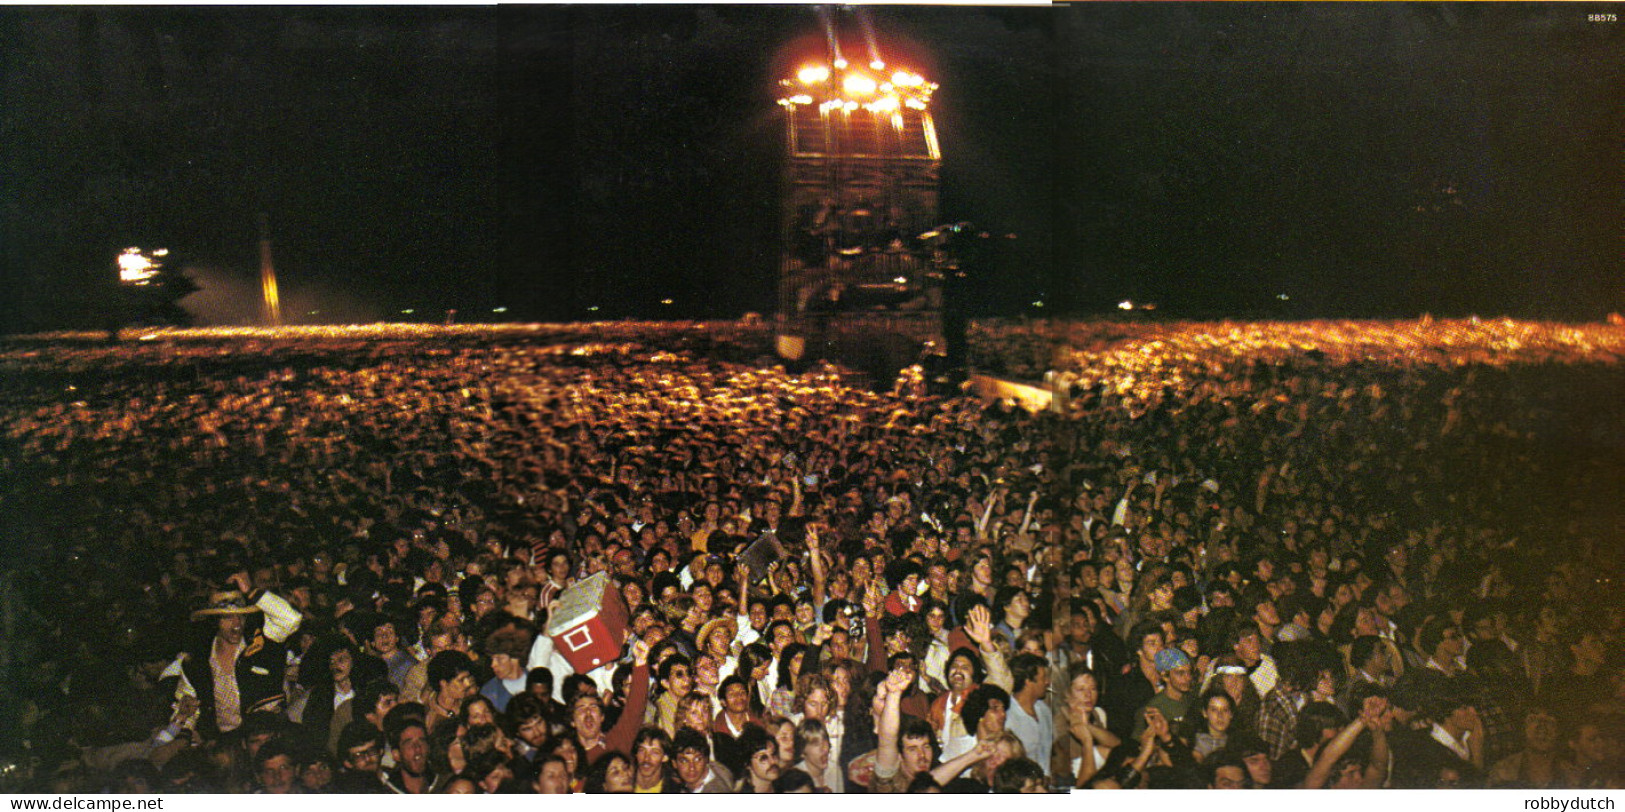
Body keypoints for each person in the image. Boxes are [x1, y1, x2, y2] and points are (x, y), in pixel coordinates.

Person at [178, 581, 303, 737]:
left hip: (264, 738)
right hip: (220, 742)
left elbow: (292, 619)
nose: (237, 624)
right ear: (215, 621)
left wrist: (251, 590)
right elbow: (186, 707)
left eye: (241, 616)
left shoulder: (262, 644)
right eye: (228, 617)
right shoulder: (198, 660)